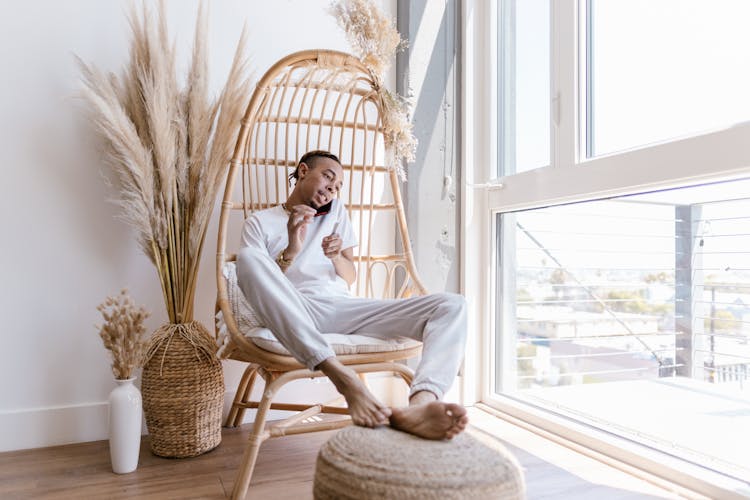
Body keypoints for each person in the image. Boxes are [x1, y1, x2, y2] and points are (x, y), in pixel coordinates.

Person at [236, 150, 468, 440]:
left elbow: (350, 275)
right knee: (247, 258)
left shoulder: (336, 212)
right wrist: (291, 251)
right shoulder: (259, 222)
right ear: (304, 171)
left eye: (338, 186)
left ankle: (421, 405)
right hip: (294, 311)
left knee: (452, 305)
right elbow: (258, 285)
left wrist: (335, 257)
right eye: (328, 177)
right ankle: (343, 379)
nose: (333, 188)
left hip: (342, 308)